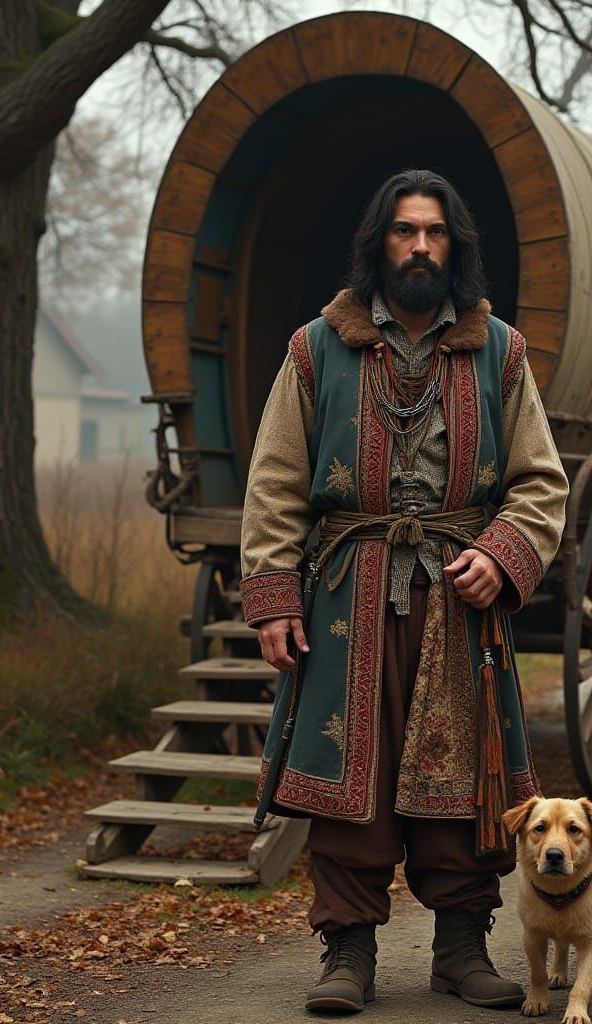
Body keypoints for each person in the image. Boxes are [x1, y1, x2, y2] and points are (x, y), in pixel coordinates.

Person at [239, 168, 569, 1014]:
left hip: (460, 601)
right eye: (403, 230)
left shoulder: (499, 350)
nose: (419, 246)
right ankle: (347, 954)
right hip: (347, 599)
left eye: (434, 232)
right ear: (379, 243)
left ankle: (461, 950)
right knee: (349, 778)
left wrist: (501, 555)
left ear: (453, 246)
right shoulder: (317, 347)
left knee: (464, 780)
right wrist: (274, 597)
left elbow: (540, 481)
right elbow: (276, 478)